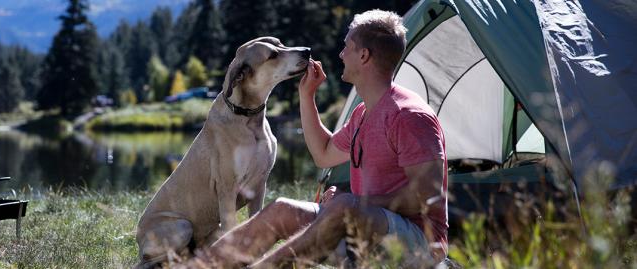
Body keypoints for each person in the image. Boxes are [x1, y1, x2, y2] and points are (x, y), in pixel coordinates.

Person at [181, 10, 448, 268]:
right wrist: (307, 96)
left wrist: (354, 203)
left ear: (364, 55)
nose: (341, 54)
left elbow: (428, 197)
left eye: (347, 47)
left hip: (419, 246)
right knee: (282, 209)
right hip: (364, 228)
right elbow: (324, 153)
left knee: (344, 206)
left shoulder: (409, 116)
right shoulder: (363, 112)